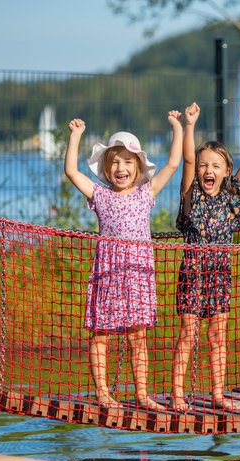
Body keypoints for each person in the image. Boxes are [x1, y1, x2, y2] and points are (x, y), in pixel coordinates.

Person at [64, 112, 183, 411]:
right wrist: (76, 135)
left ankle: (143, 394)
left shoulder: (146, 193)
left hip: (138, 275)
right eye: (115, 161)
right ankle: (103, 393)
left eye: (128, 161)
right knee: (100, 334)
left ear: (138, 167)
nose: (121, 167)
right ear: (106, 167)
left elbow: (172, 164)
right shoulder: (100, 195)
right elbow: (71, 172)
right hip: (107, 273)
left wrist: (177, 127)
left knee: (137, 337)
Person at [170, 103, 240, 412]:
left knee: (218, 335)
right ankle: (177, 394)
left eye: (216, 166)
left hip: (220, 273)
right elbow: (188, 159)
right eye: (205, 165)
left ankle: (218, 394)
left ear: (226, 171)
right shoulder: (190, 193)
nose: (208, 170)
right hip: (192, 273)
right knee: (188, 333)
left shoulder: (232, 194)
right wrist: (190, 124)